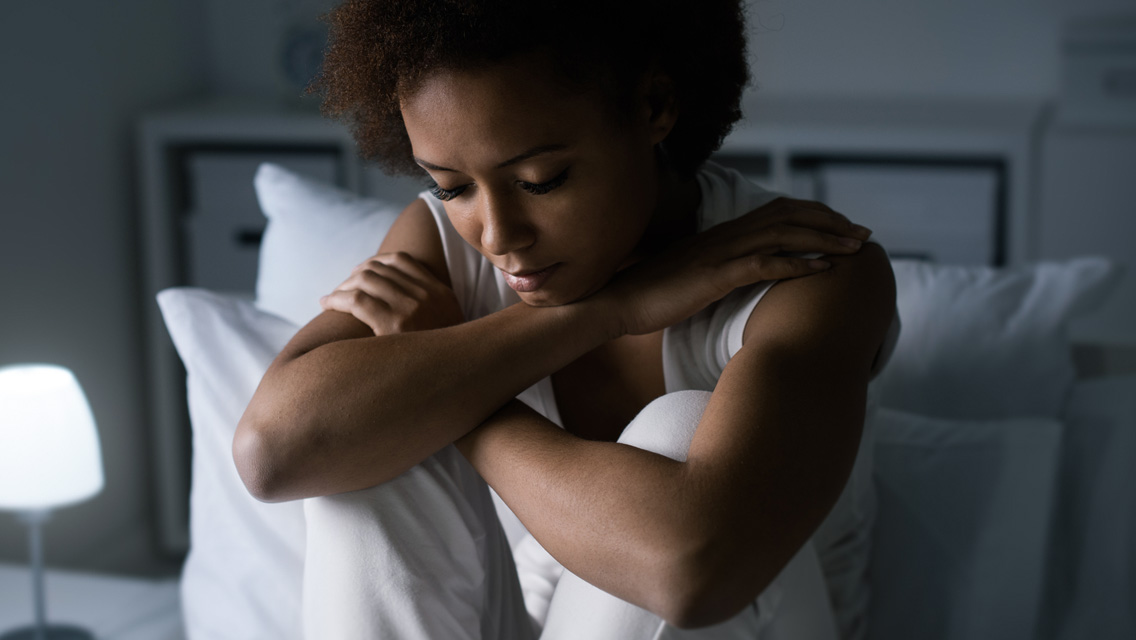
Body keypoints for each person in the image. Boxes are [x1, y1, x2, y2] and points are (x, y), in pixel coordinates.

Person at [234, 0, 900, 638]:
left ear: (654, 106)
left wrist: (458, 404)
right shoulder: (441, 246)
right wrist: (611, 310)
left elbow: (692, 572)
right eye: (452, 187)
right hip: (526, 618)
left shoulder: (806, 273)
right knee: (364, 433)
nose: (497, 236)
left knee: (676, 427)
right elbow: (274, 453)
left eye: (541, 179)